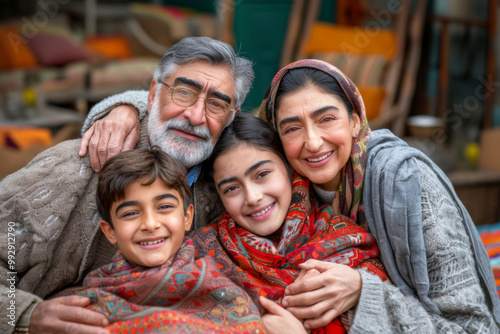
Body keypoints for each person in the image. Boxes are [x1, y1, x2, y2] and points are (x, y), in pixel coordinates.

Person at [82, 59, 500, 332]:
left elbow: (475, 327)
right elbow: (194, 116)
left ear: (356, 119)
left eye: (327, 118)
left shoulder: (404, 184)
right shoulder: (282, 202)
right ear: (279, 141)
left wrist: (363, 290)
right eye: (293, 128)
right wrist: (126, 107)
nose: (313, 142)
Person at [0, 36, 253, 334]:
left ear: (230, 119)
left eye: (216, 105)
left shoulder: (228, 185)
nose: (196, 116)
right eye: (184, 93)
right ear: (153, 95)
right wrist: (25, 315)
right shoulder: (72, 167)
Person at [189, 112, 388, 334]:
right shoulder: (199, 257)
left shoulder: (349, 247)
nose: (252, 197)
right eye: (231, 188)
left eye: (262, 174)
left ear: (289, 170)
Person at [56, 147, 263, 333]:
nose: (150, 224)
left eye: (164, 207)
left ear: (186, 218)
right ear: (110, 231)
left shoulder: (224, 292)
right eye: (130, 213)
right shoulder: (82, 308)